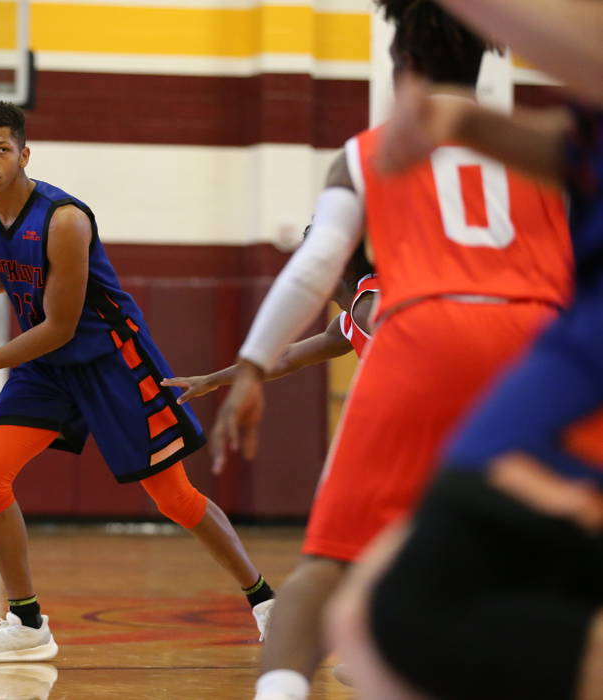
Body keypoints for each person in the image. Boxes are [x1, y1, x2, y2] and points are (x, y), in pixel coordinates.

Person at [209, 2, 574, 698]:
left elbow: (316, 267)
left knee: (324, 566)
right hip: (538, 353)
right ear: (486, 62)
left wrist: (254, 366)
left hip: (425, 333)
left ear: (401, 67)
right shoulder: (548, 150)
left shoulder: (368, 150)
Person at [0, 101, 275, 663]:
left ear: (24, 154)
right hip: (47, 366)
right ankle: (27, 623)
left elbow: (60, 327)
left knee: (175, 498)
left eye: (0, 150)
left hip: (110, 361)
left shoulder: (65, 220)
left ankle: (265, 602)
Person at [324, 2, 603, 697]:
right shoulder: (372, 297)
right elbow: (580, 145)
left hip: (560, 353)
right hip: (565, 348)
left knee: (387, 608)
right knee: (374, 611)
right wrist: (467, 124)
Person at [163, 240, 378, 475]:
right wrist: (210, 380)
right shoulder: (349, 321)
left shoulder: (369, 308)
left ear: (341, 262)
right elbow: (287, 358)